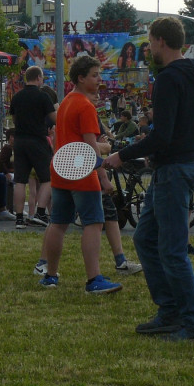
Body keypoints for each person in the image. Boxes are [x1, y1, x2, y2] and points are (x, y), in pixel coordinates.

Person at [103, 17, 194, 342]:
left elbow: (162, 134)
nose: (148, 48)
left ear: (162, 41)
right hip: (181, 164)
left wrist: (121, 156)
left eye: (150, 41)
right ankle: (169, 311)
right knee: (145, 239)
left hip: (174, 171)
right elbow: (191, 127)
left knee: (173, 251)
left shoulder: (168, 79)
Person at [39, 56, 123, 294]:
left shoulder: (65, 102)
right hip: (82, 172)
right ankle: (94, 279)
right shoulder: (86, 106)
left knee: (58, 223)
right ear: (81, 78)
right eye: (95, 75)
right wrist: (103, 177)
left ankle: (50, 275)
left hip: (61, 171)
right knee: (94, 223)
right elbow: (91, 147)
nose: (99, 80)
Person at [9, 66, 57, 227]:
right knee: (48, 178)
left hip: (20, 141)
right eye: (42, 78)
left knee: (20, 180)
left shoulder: (17, 97)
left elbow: (15, 119)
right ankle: (41, 213)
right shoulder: (43, 96)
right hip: (37, 140)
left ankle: (19, 218)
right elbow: (54, 118)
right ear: (38, 78)